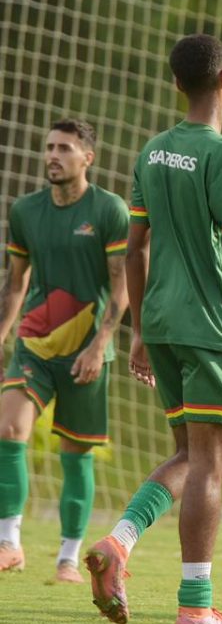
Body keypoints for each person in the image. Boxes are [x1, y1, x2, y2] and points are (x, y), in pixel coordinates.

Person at [85, 33, 222, 624]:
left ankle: (119, 543)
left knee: (187, 452)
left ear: (176, 82)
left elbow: (135, 247)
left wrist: (135, 329)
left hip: (160, 321)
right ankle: (196, 604)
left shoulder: (151, 151)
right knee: (212, 461)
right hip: (211, 325)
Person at [0, 119, 129, 582]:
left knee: (76, 454)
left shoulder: (110, 210)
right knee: (9, 428)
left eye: (65, 148)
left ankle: (68, 559)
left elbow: (122, 286)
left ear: (87, 158)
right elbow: (16, 283)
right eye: (49, 147)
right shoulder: (25, 211)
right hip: (33, 346)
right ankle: (9, 543)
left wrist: (100, 345)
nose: (53, 155)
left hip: (85, 353)